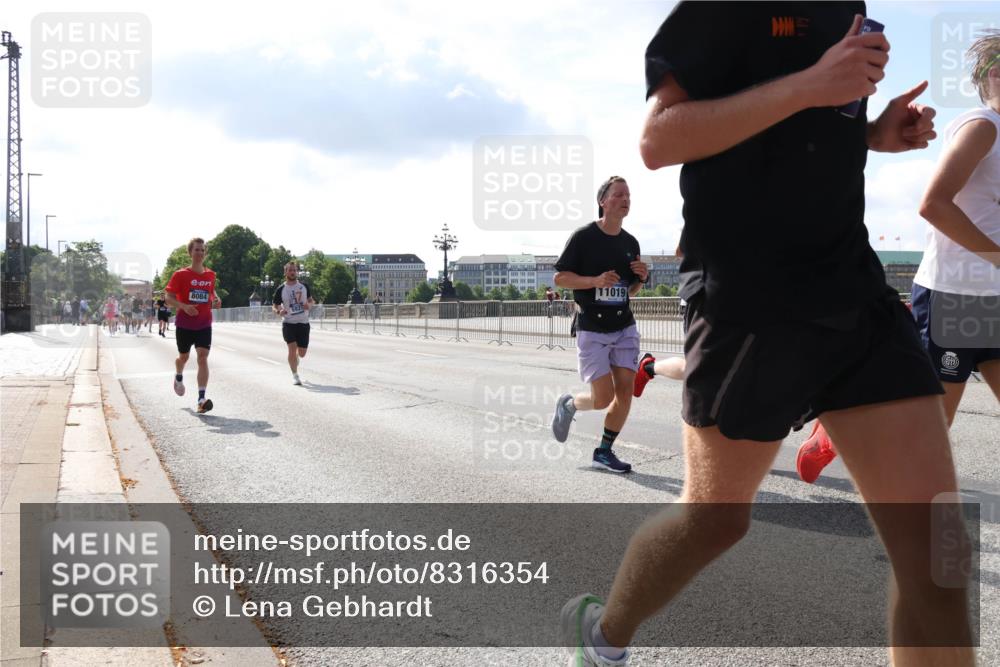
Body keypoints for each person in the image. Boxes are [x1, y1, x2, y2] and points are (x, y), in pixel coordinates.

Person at [561, 6, 972, 667]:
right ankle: (605, 634)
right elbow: (658, 141)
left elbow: (797, 136)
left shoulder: (849, 8)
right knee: (716, 521)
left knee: (938, 561)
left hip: (856, 296)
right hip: (750, 304)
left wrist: (869, 133)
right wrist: (814, 83)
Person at [797, 29, 1000, 485]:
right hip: (955, 299)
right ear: (992, 76)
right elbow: (933, 204)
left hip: (995, 303)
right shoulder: (984, 126)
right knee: (928, 436)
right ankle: (835, 433)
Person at [550, 175, 649, 473]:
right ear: (602, 201)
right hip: (592, 327)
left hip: (624, 327)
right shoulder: (584, 237)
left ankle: (604, 452)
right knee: (602, 398)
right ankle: (569, 406)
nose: (625, 199)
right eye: (618, 194)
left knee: (625, 391)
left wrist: (641, 278)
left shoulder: (630, 243)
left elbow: (629, 291)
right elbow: (560, 278)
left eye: (628, 195)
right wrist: (594, 281)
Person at [165, 238, 222, 414]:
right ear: (190, 252)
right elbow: (168, 298)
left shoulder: (211, 275)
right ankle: (179, 375)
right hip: (185, 324)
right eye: (197, 250)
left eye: (202, 250)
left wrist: (216, 299)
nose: (200, 253)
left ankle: (201, 399)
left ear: (205, 254)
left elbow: (211, 292)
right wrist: (183, 306)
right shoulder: (180, 274)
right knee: (183, 357)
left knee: (203, 358)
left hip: (204, 323)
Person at [272, 262, 315, 385]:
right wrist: (279, 311)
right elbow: (274, 305)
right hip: (288, 323)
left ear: (297, 272)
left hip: (303, 323)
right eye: (290, 270)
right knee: (292, 348)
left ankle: (295, 359)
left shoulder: (304, 286)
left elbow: (312, 301)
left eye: (294, 270)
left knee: (302, 353)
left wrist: (309, 305)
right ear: (285, 272)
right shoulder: (281, 289)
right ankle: (295, 375)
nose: (292, 272)